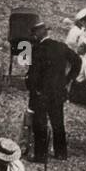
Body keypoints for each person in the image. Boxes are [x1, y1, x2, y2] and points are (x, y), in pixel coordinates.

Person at [26, 21, 79, 162]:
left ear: (37, 34)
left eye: (33, 34)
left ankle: (40, 155)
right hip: (58, 91)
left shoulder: (37, 49)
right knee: (58, 122)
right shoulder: (60, 46)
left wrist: (31, 88)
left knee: (40, 123)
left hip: (41, 93)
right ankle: (61, 153)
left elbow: (33, 74)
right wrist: (68, 80)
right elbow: (77, 61)